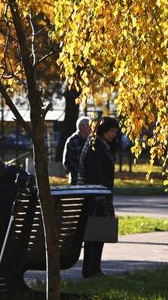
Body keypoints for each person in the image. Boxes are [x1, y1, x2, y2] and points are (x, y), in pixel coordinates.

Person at [76, 116, 119, 278]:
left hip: (98, 196)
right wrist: (101, 198)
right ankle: (91, 269)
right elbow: (95, 173)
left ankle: (94, 268)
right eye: (111, 131)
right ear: (104, 130)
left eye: (115, 132)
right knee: (95, 235)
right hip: (97, 197)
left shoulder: (100, 144)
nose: (113, 135)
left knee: (97, 234)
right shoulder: (96, 145)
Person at [62, 116, 92, 184]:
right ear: (82, 127)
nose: (91, 128)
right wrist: (80, 172)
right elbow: (67, 162)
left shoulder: (90, 140)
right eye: (89, 126)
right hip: (76, 180)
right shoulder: (72, 141)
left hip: (90, 180)